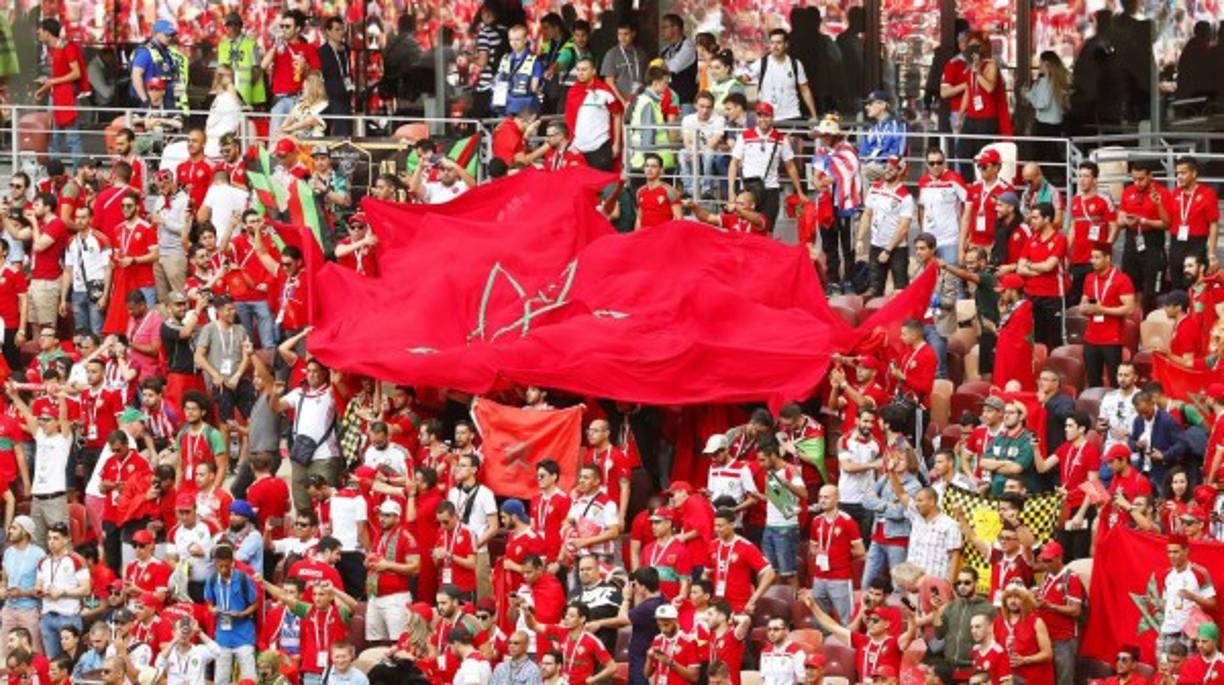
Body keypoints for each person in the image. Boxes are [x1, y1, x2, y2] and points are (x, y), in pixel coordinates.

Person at [726, 101, 804, 232]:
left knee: (767, 230)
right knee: (745, 229)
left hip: (770, 189)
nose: (762, 119)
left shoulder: (780, 138)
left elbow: (790, 166)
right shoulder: (745, 136)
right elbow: (733, 163)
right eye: (759, 115)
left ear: (772, 117)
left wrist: (799, 191)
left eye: (766, 116)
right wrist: (731, 192)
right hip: (748, 189)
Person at [1118, 160, 1172, 312]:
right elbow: (1119, 220)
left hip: (1152, 244)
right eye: (1134, 179)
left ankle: (1149, 324)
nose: (1137, 183)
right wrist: (1126, 221)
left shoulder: (1161, 193)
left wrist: (1144, 220)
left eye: (1141, 179)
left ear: (1150, 176)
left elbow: (1166, 223)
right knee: (1129, 288)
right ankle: (1132, 325)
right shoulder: (1128, 191)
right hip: (1131, 242)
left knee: (1151, 292)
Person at [858, 156, 915, 297]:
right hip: (876, 245)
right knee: (874, 288)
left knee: (900, 289)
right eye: (886, 166)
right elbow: (867, 214)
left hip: (897, 249)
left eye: (892, 167)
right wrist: (860, 238)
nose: (888, 169)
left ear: (901, 171)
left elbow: (904, 226)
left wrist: (888, 250)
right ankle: (875, 318)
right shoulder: (874, 188)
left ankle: (902, 319)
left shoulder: (905, 196)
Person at [808, 484, 864, 624]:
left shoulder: (847, 521)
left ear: (837, 498)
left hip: (840, 577)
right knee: (820, 619)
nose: (822, 500)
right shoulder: (816, 521)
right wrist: (820, 552)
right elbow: (812, 547)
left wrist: (841, 553)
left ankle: (849, 645)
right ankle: (824, 644)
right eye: (820, 497)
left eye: (826, 497)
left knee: (846, 619)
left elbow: (860, 550)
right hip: (819, 576)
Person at [260, 10, 321, 136]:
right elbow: (263, 65)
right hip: (280, 99)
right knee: (276, 140)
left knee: (302, 141)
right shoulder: (278, 47)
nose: (283, 29)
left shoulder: (308, 48)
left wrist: (305, 67)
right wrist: (275, 46)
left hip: (301, 100)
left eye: (287, 26)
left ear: (298, 29)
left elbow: (317, 75)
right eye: (281, 26)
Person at [204, 545, 258, 682]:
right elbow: (209, 602)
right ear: (215, 563)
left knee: (249, 678)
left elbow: (255, 604)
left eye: (226, 566)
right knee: (221, 678)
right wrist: (212, 609)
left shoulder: (243, 579)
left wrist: (242, 614)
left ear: (232, 562)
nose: (223, 569)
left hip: (244, 634)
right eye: (220, 566)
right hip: (223, 635)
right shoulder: (212, 580)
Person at [1017, 202, 1068, 350]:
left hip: (1052, 296)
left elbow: (1049, 266)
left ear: (1047, 219)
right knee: (1034, 339)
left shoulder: (1060, 239)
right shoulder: (1031, 239)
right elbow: (1020, 268)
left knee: (1054, 339)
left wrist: (1030, 265)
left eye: (1035, 218)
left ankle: (1053, 371)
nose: (1031, 221)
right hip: (1031, 295)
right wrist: (1039, 268)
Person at [1159, 533, 1217, 658]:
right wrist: (1158, 606)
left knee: (1188, 673)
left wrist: (1193, 597)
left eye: (1176, 552)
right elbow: (1166, 604)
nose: (1171, 556)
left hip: (1189, 633)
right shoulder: (1166, 575)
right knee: (1165, 671)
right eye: (1169, 552)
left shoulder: (1200, 573)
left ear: (1186, 550)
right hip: (1167, 631)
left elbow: (1213, 604)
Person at [1034, 542, 1084, 685]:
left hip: (1064, 639)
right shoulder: (1046, 576)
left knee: (1064, 680)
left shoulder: (1071, 578)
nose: (1045, 563)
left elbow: (1075, 610)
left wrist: (1049, 606)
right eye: (1044, 560)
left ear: (1059, 558)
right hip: (1046, 637)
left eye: (1049, 560)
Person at [1168, 156, 1220, 291]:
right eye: (1177, 173)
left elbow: (1213, 224)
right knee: (1176, 286)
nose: (1179, 176)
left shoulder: (1207, 194)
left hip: (1196, 244)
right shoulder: (1174, 194)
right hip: (1176, 243)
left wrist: (1212, 254)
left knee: (1194, 286)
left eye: (1183, 173)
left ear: (1194, 173)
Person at [35, 19, 83, 162]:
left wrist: (51, 82)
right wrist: (44, 88)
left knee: (71, 136)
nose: (38, 33)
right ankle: (55, 174)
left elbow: (76, 73)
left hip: (66, 97)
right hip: (56, 96)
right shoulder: (55, 49)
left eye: (40, 31)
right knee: (54, 136)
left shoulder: (66, 47)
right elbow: (58, 77)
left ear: (47, 33)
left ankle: (76, 174)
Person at [565, 57, 622, 171]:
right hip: (578, 147)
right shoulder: (572, 91)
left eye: (584, 69)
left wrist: (616, 143)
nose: (580, 73)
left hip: (600, 146)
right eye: (579, 70)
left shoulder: (605, 90)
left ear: (594, 71)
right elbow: (569, 119)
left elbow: (617, 115)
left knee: (601, 186)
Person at [959, 148, 1014, 264]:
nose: (980, 169)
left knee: (991, 279)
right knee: (971, 278)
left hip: (994, 244)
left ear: (996, 168)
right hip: (974, 243)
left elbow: (1010, 221)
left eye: (984, 166)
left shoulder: (1006, 190)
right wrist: (961, 247)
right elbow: (966, 218)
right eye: (979, 166)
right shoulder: (974, 187)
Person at [750, 29, 817, 122]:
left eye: (778, 43)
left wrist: (814, 116)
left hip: (792, 115)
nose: (775, 46)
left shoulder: (795, 63)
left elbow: (805, 90)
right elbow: (744, 76)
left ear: (786, 44)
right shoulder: (761, 63)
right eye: (772, 43)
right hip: (768, 117)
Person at [994, 584, 1054, 685]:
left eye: (1017, 597)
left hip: (1034, 679)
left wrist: (1025, 660)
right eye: (1009, 597)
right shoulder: (998, 621)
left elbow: (1047, 654)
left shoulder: (1036, 621)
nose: (1012, 601)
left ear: (1025, 600)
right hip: (1008, 679)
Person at [917, 147, 968, 265]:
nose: (936, 166)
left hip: (950, 239)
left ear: (944, 162)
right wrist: (921, 234)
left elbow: (969, 206)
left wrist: (964, 237)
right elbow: (921, 209)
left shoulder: (955, 179)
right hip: (929, 240)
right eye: (932, 163)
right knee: (930, 278)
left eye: (939, 162)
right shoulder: (923, 181)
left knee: (952, 278)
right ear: (926, 164)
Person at [317, 17, 353, 137]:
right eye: (337, 29)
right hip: (330, 95)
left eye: (342, 29)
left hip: (345, 94)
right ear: (328, 32)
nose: (341, 33)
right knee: (331, 128)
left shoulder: (346, 49)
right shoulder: (322, 52)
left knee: (345, 128)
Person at [859, 91, 907, 181]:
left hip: (891, 165)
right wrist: (866, 159)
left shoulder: (897, 124)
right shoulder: (873, 127)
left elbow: (897, 152)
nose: (866, 107)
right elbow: (863, 150)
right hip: (872, 164)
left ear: (882, 105)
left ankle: (864, 195)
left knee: (862, 170)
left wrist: (874, 160)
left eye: (870, 103)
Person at [634, 154, 682, 231]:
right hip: (645, 237)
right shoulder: (640, 191)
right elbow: (639, 218)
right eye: (647, 166)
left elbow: (679, 219)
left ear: (661, 170)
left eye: (653, 166)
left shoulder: (669, 191)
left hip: (662, 238)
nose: (649, 169)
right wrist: (636, 236)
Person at [278, 71, 329, 138]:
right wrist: (282, 129)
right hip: (297, 137)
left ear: (312, 89)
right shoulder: (301, 103)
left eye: (304, 88)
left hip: (314, 138)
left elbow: (311, 121)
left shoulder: (324, 104)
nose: (302, 91)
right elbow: (291, 117)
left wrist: (289, 129)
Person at [969, 612, 1011, 684]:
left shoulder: (999, 652)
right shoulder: (975, 651)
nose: (974, 631)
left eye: (978, 627)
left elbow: (1007, 682)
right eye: (972, 627)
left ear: (990, 627)